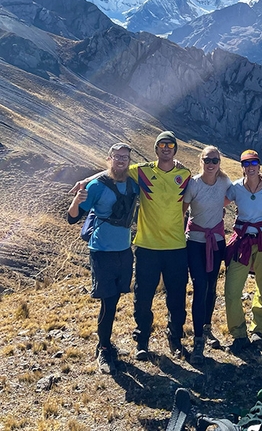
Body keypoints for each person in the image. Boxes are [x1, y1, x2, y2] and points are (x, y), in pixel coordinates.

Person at [67, 143, 139, 375]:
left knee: (114, 299)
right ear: (109, 159)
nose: (121, 161)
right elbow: (72, 218)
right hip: (102, 251)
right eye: (117, 157)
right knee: (108, 300)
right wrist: (77, 201)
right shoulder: (97, 186)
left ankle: (106, 342)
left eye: (125, 157)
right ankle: (104, 348)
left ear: (129, 160)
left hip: (124, 250)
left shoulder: (133, 185)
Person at [128, 131, 191, 360]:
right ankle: (142, 340)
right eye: (162, 145)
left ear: (175, 149)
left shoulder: (184, 174)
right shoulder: (143, 171)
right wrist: (85, 181)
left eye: (170, 145)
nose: (166, 148)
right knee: (143, 296)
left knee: (177, 295)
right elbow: (115, 171)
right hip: (147, 247)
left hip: (175, 246)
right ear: (156, 149)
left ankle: (175, 339)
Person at [224, 149, 262, 355]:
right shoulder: (235, 188)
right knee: (231, 290)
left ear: (259, 166)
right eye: (246, 164)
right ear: (242, 167)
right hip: (242, 241)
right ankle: (239, 333)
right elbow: (218, 203)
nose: (250, 167)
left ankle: (258, 329)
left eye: (254, 163)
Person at [182, 145, 232, 365]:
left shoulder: (224, 182)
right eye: (207, 160)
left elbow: (235, 195)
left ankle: (207, 326)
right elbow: (182, 211)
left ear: (219, 162)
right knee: (200, 285)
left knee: (212, 286)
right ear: (200, 161)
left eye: (215, 160)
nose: (211, 164)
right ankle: (198, 338)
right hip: (195, 242)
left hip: (217, 242)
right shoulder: (193, 184)